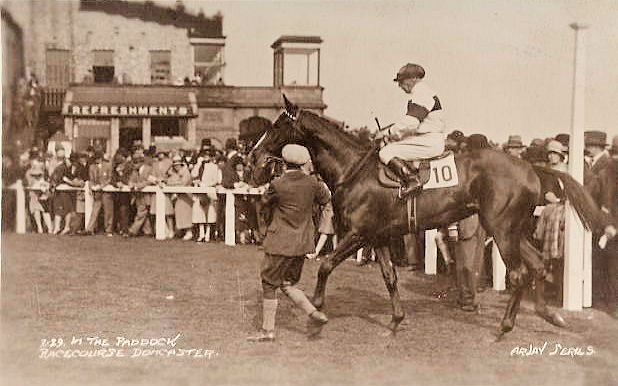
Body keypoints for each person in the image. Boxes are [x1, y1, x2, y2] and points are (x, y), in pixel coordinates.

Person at [247, 144, 330, 342]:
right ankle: (314, 313)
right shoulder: (313, 183)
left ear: (284, 162)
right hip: (301, 244)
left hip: (279, 242)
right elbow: (326, 199)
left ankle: (268, 331)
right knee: (287, 284)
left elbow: (264, 206)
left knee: (268, 284)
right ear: (303, 162)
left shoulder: (278, 184)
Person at [376, 63, 446, 194]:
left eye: (402, 81)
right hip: (424, 139)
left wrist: (387, 133)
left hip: (428, 141)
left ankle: (413, 180)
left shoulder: (423, 93)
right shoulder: (421, 94)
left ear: (414, 79)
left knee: (385, 152)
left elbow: (411, 123)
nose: (400, 85)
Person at [192, 149, 221, 242]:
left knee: (210, 214)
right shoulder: (200, 165)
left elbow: (216, 180)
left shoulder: (214, 166)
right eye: (204, 155)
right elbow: (193, 175)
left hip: (209, 192)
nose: (206, 157)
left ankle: (208, 234)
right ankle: (201, 234)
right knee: (199, 213)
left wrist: (207, 185)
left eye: (208, 155)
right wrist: (198, 164)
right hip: (200, 192)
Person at [85, 151, 114, 236]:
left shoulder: (108, 165)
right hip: (97, 192)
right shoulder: (92, 167)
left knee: (108, 211)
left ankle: (108, 230)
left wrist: (101, 186)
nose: (97, 160)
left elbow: (110, 178)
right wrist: (92, 187)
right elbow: (91, 179)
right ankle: (90, 229)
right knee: (95, 210)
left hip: (106, 192)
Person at [166, 155, 194, 240]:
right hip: (179, 197)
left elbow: (183, 183)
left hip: (186, 196)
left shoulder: (186, 172)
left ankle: (189, 232)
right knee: (179, 214)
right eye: (175, 165)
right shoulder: (174, 173)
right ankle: (182, 231)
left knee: (186, 214)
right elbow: (169, 182)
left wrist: (175, 183)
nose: (176, 166)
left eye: (178, 164)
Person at [25, 163, 53, 233]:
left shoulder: (45, 176)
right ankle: (40, 227)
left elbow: (48, 185)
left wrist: (45, 188)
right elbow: (29, 185)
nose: (37, 176)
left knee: (45, 211)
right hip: (34, 195)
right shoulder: (30, 176)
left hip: (43, 195)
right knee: (36, 210)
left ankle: (49, 228)